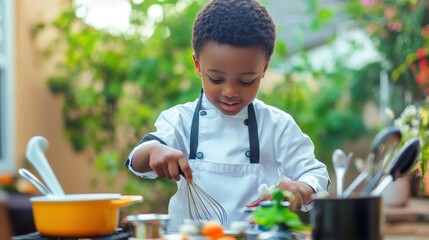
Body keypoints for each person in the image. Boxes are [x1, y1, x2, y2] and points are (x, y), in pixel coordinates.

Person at [126, 0, 330, 232]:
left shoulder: (276, 125)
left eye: (246, 81)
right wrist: (154, 151)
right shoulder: (180, 120)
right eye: (216, 79)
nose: (231, 92)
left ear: (264, 68)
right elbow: (137, 160)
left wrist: (300, 189)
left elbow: (315, 173)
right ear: (198, 65)